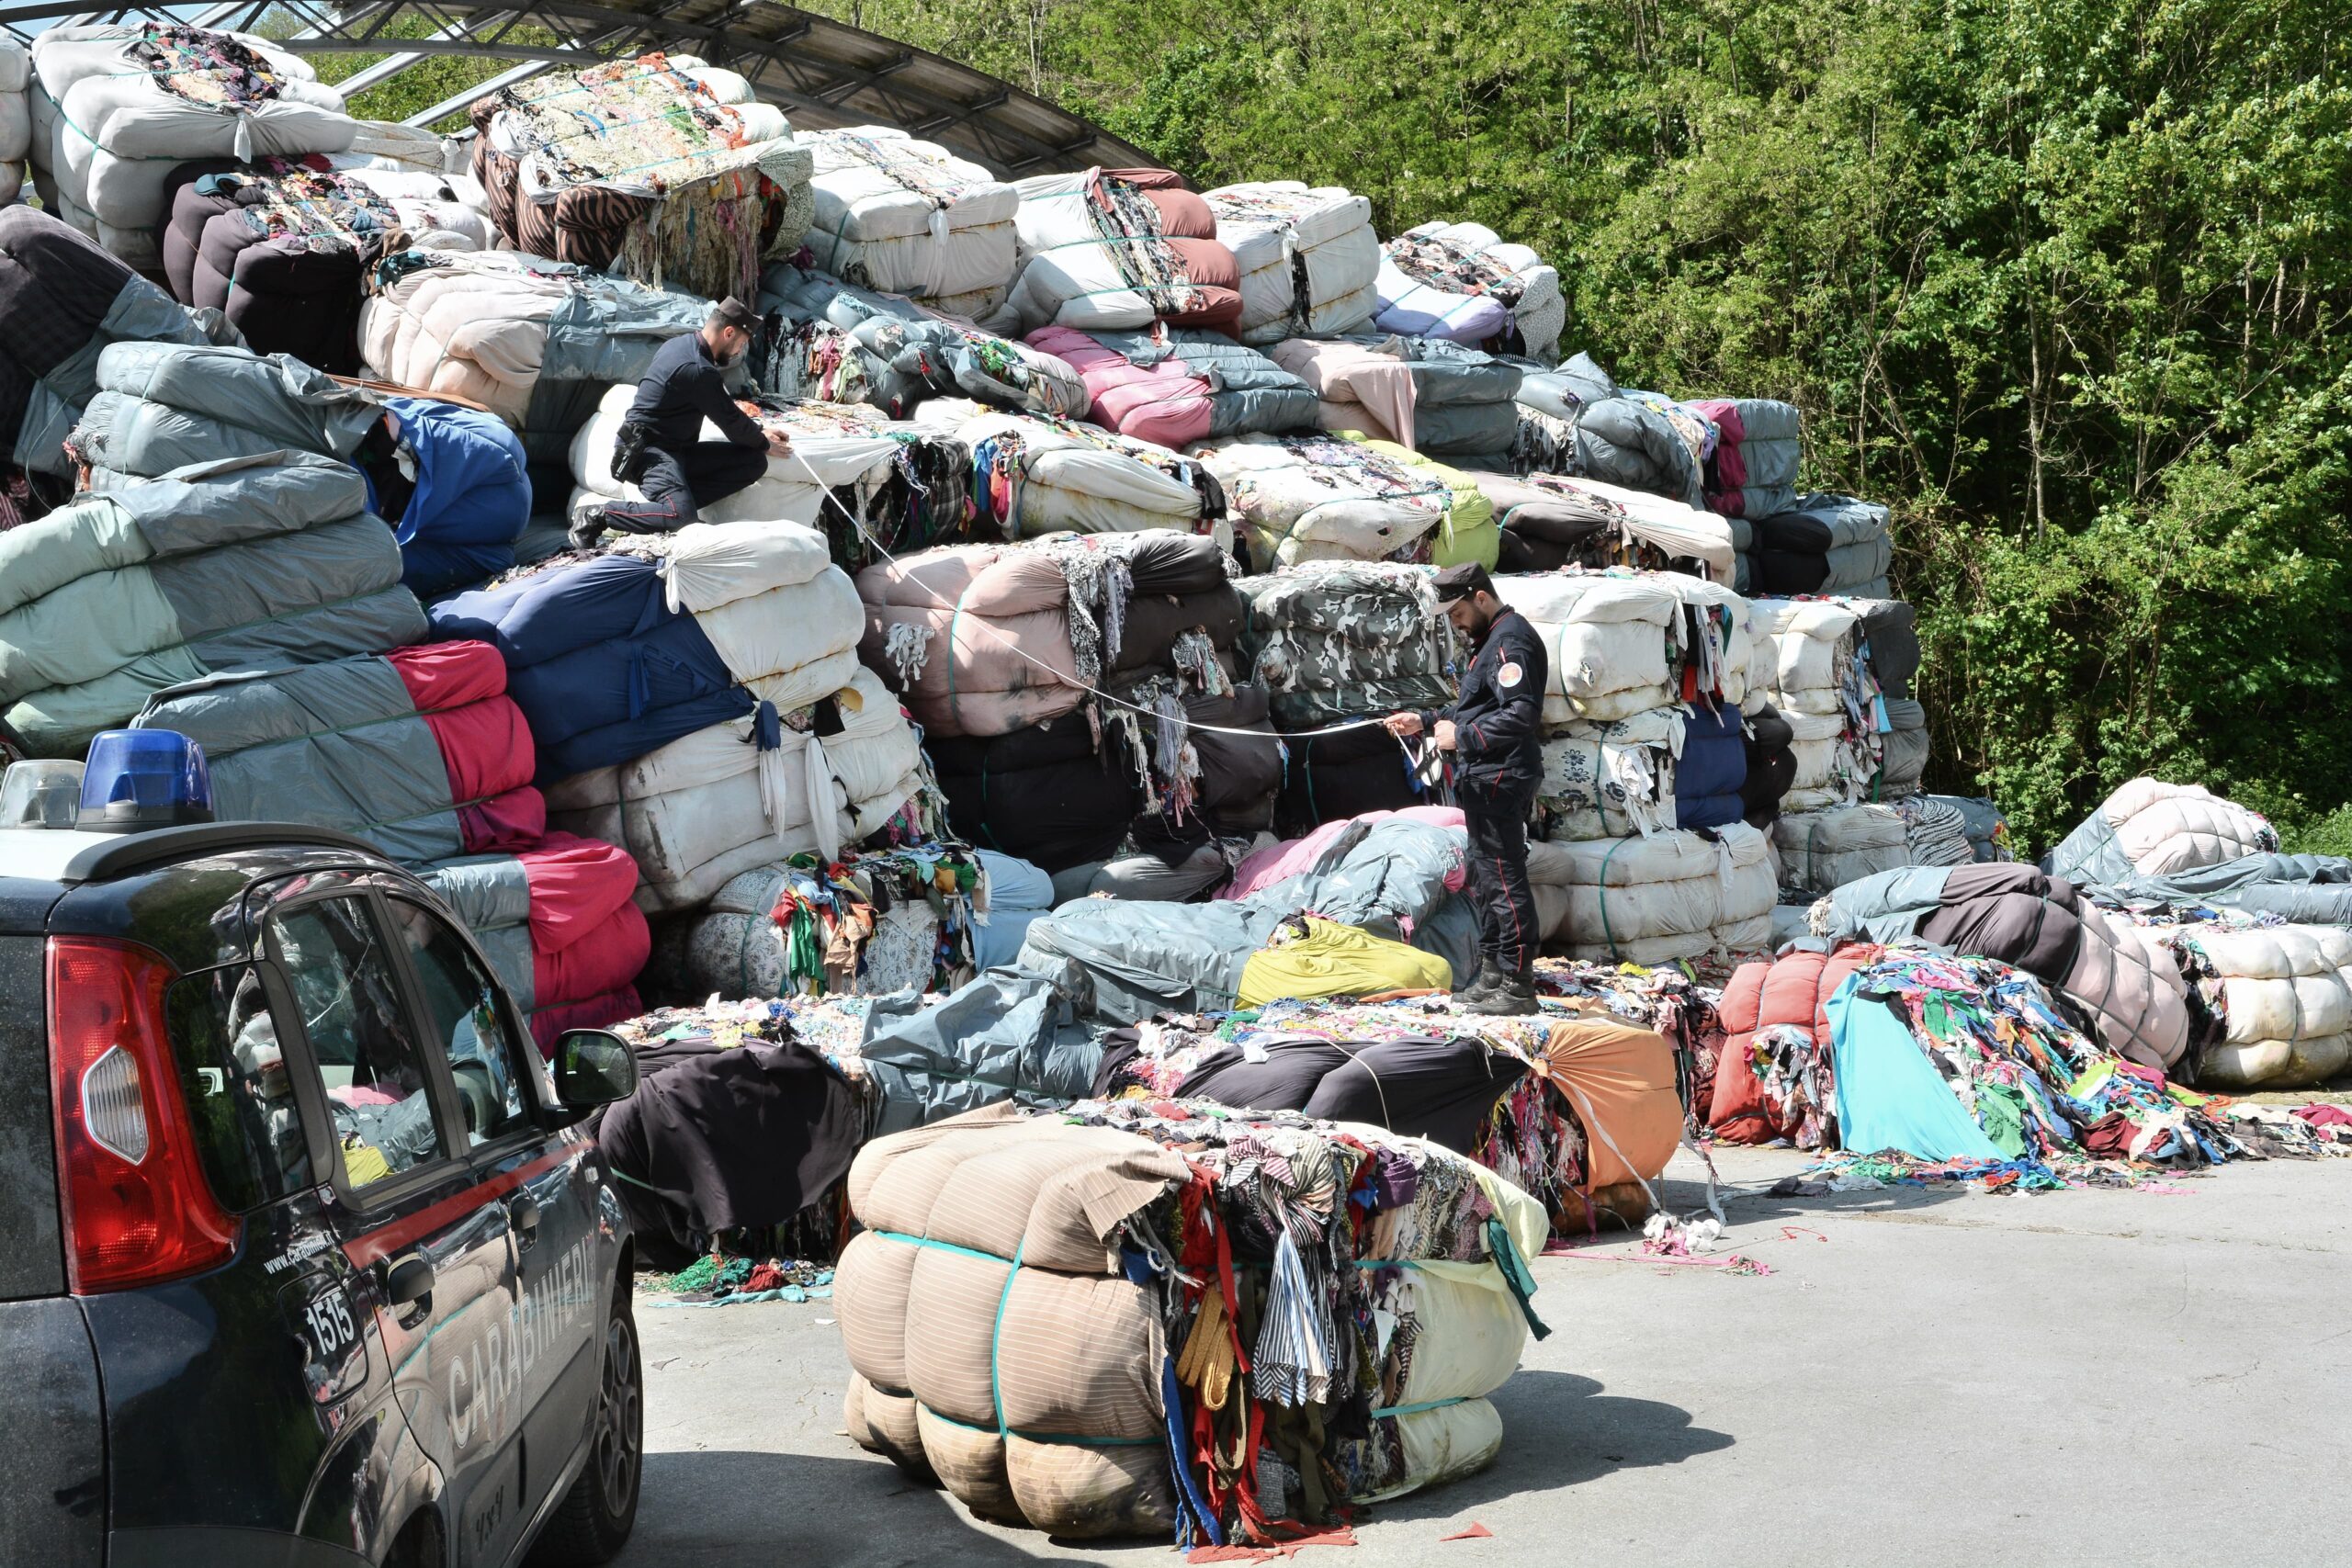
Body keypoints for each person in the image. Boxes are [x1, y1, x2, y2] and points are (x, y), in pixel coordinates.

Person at [1385, 562, 1547, 1015]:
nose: (1455, 623)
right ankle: (1492, 972)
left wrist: (1464, 737)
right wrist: (1426, 721)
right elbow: (1478, 707)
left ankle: (1517, 983)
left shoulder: (1511, 641)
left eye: (1457, 612)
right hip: (1484, 776)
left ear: (1480, 598)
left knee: (1504, 878)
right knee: (1484, 876)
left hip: (1502, 776)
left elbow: (1521, 713)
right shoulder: (1490, 640)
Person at [572, 296, 792, 546]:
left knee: (753, 462)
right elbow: (730, 421)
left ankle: (668, 511)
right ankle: (597, 515)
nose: (739, 352)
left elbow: (727, 411)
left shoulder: (681, 345)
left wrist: (760, 433)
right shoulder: (697, 368)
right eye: (741, 344)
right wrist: (764, 442)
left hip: (675, 450)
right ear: (729, 333)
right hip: (647, 453)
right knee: (681, 518)